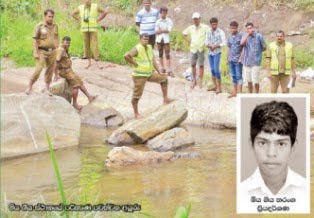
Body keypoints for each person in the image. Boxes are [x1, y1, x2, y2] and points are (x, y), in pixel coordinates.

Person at [239, 101, 308, 213]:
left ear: (293, 146)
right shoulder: (239, 193)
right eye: (263, 143)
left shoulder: (307, 191)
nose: (271, 153)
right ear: (252, 144)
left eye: (281, 144)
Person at [124, 33, 171, 119]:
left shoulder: (149, 47)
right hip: (139, 75)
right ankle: (136, 114)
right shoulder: (137, 48)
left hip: (149, 73)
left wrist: (159, 71)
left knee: (164, 79)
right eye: (144, 38)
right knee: (137, 95)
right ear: (140, 39)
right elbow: (126, 56)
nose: (145, 40)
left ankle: (165, 99)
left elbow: (153, 60)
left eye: (147, 39)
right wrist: (135, 63)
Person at [55, 36, 97, 110]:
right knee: (76, 85)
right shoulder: (60, 50)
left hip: (69, 70)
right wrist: (55, 75)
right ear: (62, 42)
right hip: (64, 71)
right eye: (66, 43)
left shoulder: (65, 49)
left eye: (69, 43)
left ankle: (89, 96)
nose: (68, 44)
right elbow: (56, 62)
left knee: (80, 82)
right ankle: (75, 104)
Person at [25, 9, 59, 96]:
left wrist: (57, 46)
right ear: (44, 16)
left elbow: (56, 36)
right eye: (49, 16)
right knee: (39, 69)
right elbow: (35, 39)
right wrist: (35, 52)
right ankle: (29, 86)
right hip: (42, 51)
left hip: (52, 51)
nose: (51, 18)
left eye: (52, 17)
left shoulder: (55, 26)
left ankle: (47, 89)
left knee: (50, 71)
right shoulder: (39, 26)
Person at [71, 0, 108, 69]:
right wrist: (79, 19)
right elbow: (73, 13)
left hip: (93, 29)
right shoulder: (80, 7)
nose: (87, 0)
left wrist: (98, 19)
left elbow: (105, 12)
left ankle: (97, 62)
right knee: (86, 45)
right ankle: (88, 62)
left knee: (95, 45)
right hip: (84, 29)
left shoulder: (95, 6)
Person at [183, 12, 210, 89]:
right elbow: (184, 34)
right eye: (194, 19)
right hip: (193, 49)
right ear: (193, 19)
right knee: (193, 65)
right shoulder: (190, 28)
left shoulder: (204, 27)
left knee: (201, 65)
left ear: (200, 19)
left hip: (201, 48)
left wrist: (206, 42)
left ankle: (200, 81)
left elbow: (211, 32)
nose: (196, 20)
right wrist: (189, 41)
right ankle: (194, 80)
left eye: (197, 19)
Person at [240, 22, 267, 93]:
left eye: (250, 28)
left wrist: (258, 53)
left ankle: (256, 94)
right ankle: (250, 94)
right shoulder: (244, 36)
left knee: (255, 80)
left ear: (253, 28)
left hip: (255, 62)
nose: (249, 30)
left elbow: (264, 47)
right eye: (247, 29)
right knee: (248, 80)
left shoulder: (259, 36)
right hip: (246, 62)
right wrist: (248, 34)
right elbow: (241, 43)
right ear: (246, 30)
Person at [205, 17, 226, 94]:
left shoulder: (221, 32)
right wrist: (209, 46)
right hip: (210, 52)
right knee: (212, 69)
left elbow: (224, 43)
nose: (214, 25)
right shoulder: (208, 32)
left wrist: (216, 46)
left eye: (216, 24)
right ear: (210, 24)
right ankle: (215, 86)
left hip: (217, 52)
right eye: (213, 24)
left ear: (217, 23)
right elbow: (206, 42)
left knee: (216, 70)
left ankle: (219, 88)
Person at [155, 6, 174, 77]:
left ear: (166, 13)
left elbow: (168, 30)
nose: (163, 14)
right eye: (162, 13)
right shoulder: (158, 21)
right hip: (159, 39)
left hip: (166, 40)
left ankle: (169, 70)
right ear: (160, 13)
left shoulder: (169, 21)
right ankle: (162, 68)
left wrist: (161, 30)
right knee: (160, 54)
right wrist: (163, 30)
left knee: (167, 54)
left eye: (165, 13)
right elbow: (156, 31)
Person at [226, 21, 244, 97]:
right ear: (230, 28)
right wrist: (227, 58)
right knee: (233, 76)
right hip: (231, 60)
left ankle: (240, 93)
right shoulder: (229, 36)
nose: (233, 29)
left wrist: (240, 58)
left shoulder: (241, 35)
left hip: (238, 60)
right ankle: (235, 92)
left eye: (235, 28)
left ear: (237, 28)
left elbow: (244, 48)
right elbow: (228, 47)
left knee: (239, 76)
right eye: (232, 28)